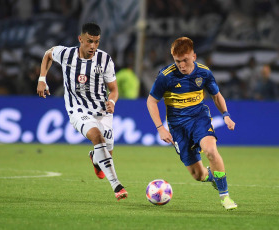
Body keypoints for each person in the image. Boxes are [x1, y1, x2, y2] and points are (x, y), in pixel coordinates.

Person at [36, 22, 128, 201]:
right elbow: (48, 54)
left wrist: (111, 101)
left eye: (97, 42)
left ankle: (96, 158)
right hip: (77, 109)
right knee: (97, 136)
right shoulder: (66, 54)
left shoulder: (105, 60)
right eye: (89, 41)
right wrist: (42, 79)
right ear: (80, 39)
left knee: (106, 153)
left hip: (102, 111)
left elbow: (114, 89)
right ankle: (117, 185)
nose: (93, 46)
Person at [147, 37, 237, 210]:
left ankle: (225, 196)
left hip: (199, 118)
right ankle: (212, 176)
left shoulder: (204, 73)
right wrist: (160, 128)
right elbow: (151, 101)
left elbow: (216, 96)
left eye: (185, 60)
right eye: (177, 61)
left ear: (194, 56)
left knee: (211, 151)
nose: (181, 65)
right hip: (177, 127)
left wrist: (225, 114)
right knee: (198, 175)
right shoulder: (165, 76)